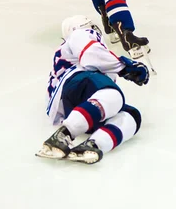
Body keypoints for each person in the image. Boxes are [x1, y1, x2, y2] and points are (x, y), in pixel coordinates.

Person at [36, 15, 149, 164]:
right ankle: (64, 134)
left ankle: (94, 144)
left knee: (131, 114)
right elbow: (91, 54)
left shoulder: (67, 51)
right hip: (77, 82)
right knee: (113, 95)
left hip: (77, 106)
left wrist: (126, 70)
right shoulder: (79, 34)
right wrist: (125, 67)